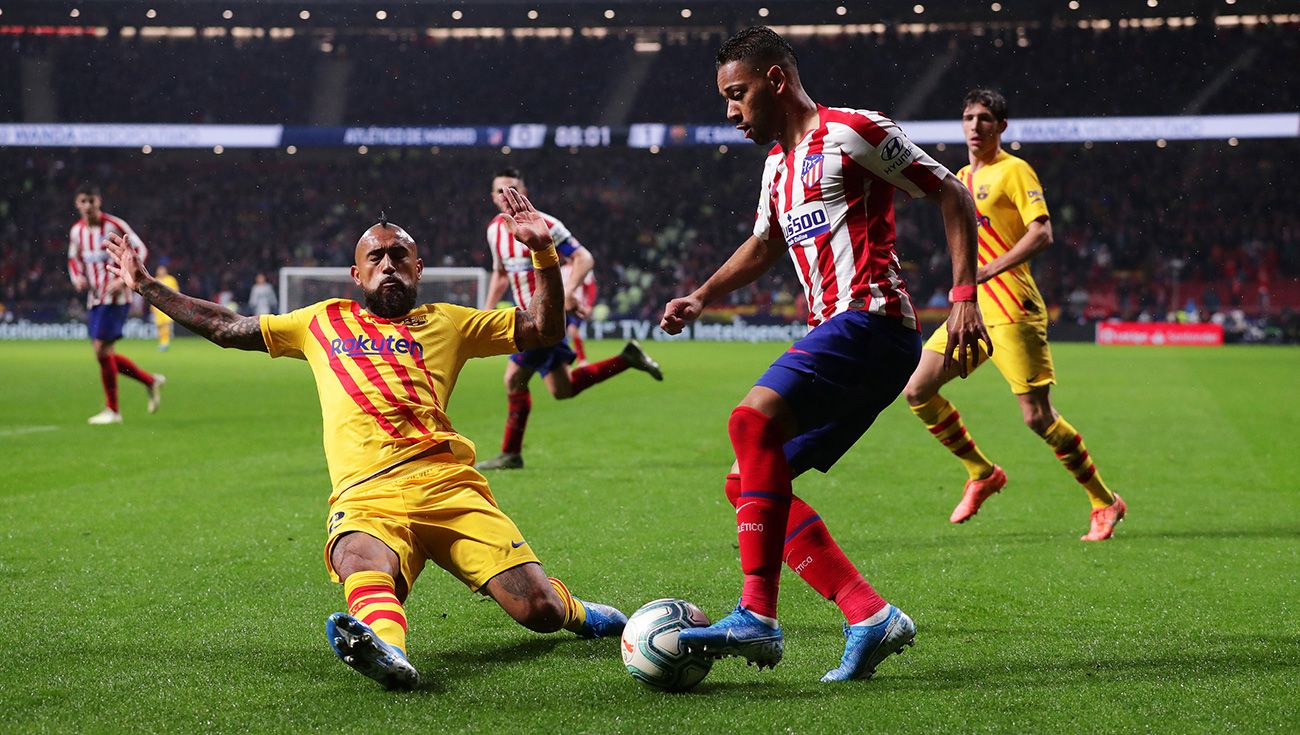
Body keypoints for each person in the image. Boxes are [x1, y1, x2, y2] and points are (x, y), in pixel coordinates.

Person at [103, 191, 627, 691]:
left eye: (400, 255)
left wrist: (542, 252)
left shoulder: (450, 323)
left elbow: (544, 328)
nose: (389, 264)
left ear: (419, 269)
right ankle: (387, 651)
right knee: (358, 556)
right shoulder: (320, 321)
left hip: (448, 487)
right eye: (376, 257)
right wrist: (147, 286)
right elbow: (228, 326)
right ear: (357, 273)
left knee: (540, 613)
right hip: (365, 494)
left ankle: (575, 610)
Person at [659, 27, 990, 682]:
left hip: (872, 322)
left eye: (737, 94)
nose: (730, 111)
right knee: (750, 478)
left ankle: (756, 613)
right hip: (845, 336)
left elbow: (951, 190)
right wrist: (701, 295)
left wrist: (964, 295)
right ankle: (868, 613)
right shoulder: (777, 168)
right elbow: (763, 246)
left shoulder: (854, 131)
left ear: (775, 81)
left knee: (749, 421)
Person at [902, 89, 1127, 542]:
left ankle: (1105, 500)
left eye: (986, 118)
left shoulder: (1015, 170)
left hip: (1014, 308)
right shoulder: (962, 175)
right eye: (969, 117)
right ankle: (981, 472)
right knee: (918, 389)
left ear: (1001, 126)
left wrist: (989, 268)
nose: (976, 125)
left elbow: (1042, 233)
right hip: (973, 311)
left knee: (1037, 417)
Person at [476, 168, 663, 471]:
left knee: (513, 378)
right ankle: (627, 359)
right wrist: (487, 308)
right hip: (525, 316)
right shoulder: (494, 231)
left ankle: (511, 453)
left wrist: (569, 291)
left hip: (545, 316)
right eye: (500, 191)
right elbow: (500, 273)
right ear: (493, 197)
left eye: (512, 188)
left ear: (524, 190)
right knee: (561, 389)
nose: (506, 195)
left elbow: (584, 257)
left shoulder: (546, 224)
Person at [67, 182, 164, 424]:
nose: (88, 206)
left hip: (117, 297)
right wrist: (77, 277)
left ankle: (113, 410)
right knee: (104, 354)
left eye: (92, 201)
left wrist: (125, 279)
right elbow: (73, 259)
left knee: (101, 350)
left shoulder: (115, 225)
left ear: (99, 201)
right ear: (77, 204)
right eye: (83, 201)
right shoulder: (77, 232)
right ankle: (149, 381)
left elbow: (140, 250)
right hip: (95, 298)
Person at [152, 263, 179, 351]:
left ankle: (165, 343)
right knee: (160, 326)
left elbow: (176, 292)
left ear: (165, 271)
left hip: (167, 306)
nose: (160, 271)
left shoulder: (171, 279)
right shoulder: (155, 280)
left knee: (166, 325)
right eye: (159, 270)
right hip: (157, 307)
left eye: (162, 269)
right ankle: (162, 342)